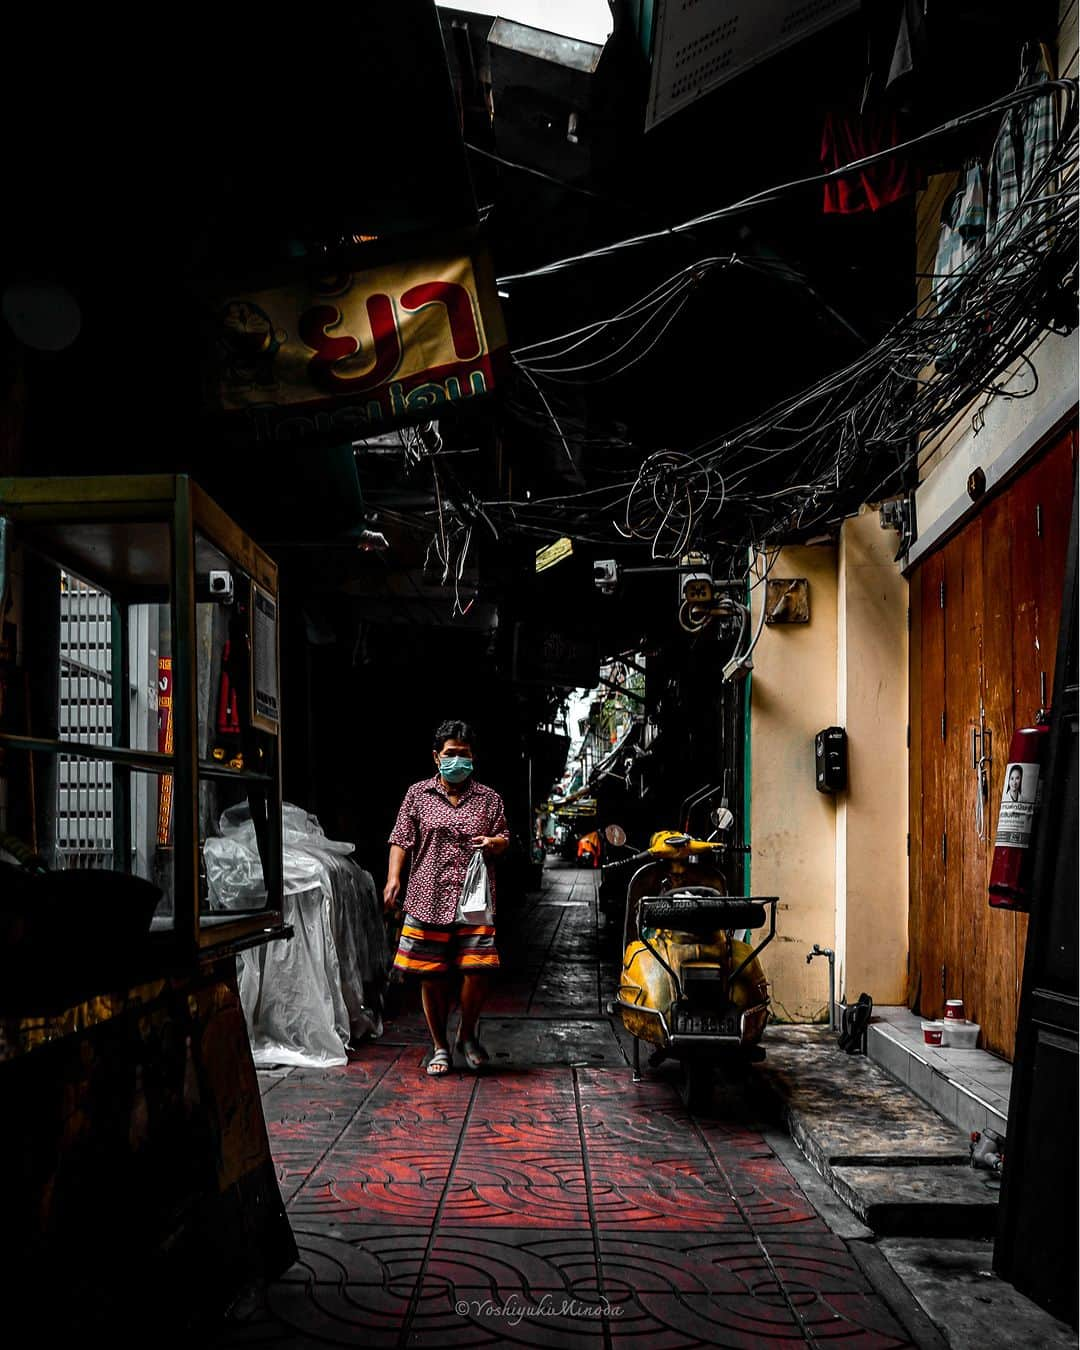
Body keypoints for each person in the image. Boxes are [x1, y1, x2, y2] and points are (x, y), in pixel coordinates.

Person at [384, 720, 509, 1076]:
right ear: (436, 757)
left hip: (474, 900)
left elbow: (504, 837)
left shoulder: (489, 799)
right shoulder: (417, 795)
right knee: (431, 975)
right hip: (428, 895)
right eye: (451, 754)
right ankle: (440, 1046)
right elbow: (400, 839)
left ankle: (466, 1034)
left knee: (478, 970)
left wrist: (494, 843)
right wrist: (394, 879)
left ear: (473, 758)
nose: (458, 761)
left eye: (465, 755)